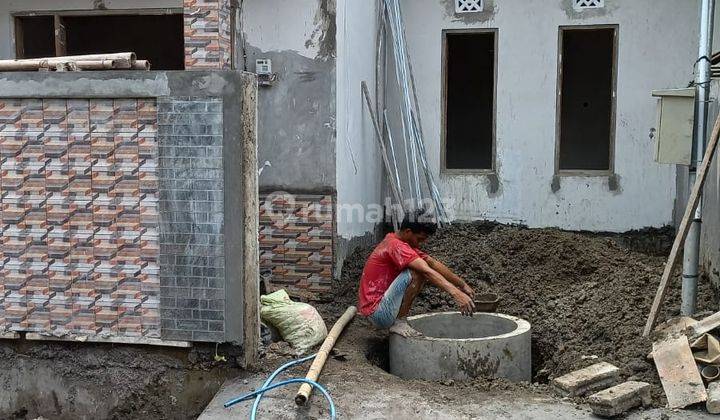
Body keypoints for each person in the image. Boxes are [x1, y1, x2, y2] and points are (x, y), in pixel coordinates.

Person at [357, 209, 475, 336]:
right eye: (419, 239)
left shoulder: (397, 240)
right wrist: (456, 293)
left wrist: (462, 285)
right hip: (378, 313)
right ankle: (399, 322)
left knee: (422, 267)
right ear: (408, 232)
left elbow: (433, 263)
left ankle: (398, 320)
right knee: (417, 272)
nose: (421, 243)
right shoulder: (397, 246)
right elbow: (427, 271)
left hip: (375, 308)